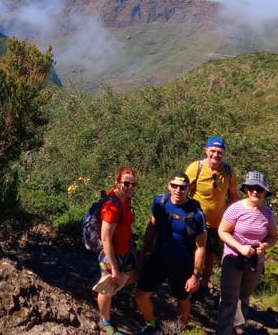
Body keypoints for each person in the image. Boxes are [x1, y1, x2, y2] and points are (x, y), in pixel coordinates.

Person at [135, 172, 206, 333]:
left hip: (182, 263)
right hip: (159, 258)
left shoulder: (195, 214)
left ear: (188, 189)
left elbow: (201, 247)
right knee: (141, 296)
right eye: (174, 186)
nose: (178, 190)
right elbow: (152, 225)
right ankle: (150, 325)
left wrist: (195, 275)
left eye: (183, 187)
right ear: (168, 185)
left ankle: (181, 330)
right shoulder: (160, 202)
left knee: (182, 299)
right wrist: (144, 251)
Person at [216, 171, 278, 335]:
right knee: (229, 298)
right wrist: (240, 247)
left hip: (255, 261)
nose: (255, 192)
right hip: (234, 257)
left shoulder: (267, 213)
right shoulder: (235, 209)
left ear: (265, 192)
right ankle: (223, 331)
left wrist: (264, 245)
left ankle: (238, 328)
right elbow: (223, 232)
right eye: (251, 188)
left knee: (244, 296)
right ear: (246, 189)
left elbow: (273, 237)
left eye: (259, 189)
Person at [185, 136, 238, 296]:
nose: (216, 155)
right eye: (213, 151)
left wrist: (230, 218)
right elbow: (182, 192)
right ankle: (187, 282)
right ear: (206, 151)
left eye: (219, 152)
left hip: (217, 223)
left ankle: (204, 285)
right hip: (194, 221)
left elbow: (233, 196)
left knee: (209, 256)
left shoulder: (228, 171)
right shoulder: (196, 168)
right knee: (191, 252)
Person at [95, 166, 138, 335]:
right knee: (107, 288)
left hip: (125, 251)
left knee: (132, 277)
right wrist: (113, 267)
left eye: (133, 184)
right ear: (117, 182)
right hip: (111, 254)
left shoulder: (125, 200)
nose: (130, 187)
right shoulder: (111, 207)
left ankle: (118, 299)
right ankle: (104, 321)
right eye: (126, 183)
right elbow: (106, 239)